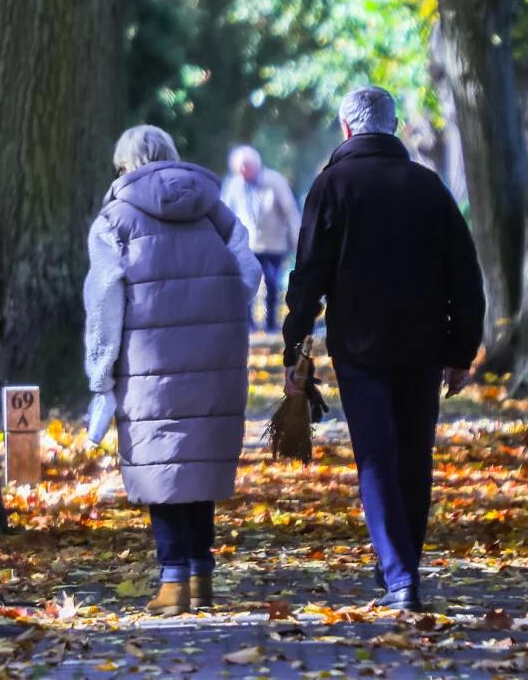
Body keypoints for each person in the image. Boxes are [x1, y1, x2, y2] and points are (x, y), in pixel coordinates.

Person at [281, 86, 485, 611]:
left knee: (375, 455)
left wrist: (294, 345)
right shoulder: (428, 187)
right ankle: (402, 566)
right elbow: (465, 274)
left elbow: (308, 276)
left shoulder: (332, 186)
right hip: (423, 343)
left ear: (346, 129)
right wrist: (460, 351)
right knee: (415, 455)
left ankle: (399, 575)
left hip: (360, 345)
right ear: (393, 128)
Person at [83, 125, 261, 616]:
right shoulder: (214, 211)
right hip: (213, 357)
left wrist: (100, 372)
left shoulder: (114, 219)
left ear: (125, 165)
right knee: (199, 465)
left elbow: (104, 301)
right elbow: (248, 274)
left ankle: (172, 581)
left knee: (161, 465)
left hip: (147, 362)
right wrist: (216, 311)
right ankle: (202, 577)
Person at [220, 145, 300, 333]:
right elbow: (224, 212)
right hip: (246, 244)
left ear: (256, 165)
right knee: (246, 282)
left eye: (247, 166)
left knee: (272, 282)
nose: (243, 170)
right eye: (240, 168)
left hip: (273, 243)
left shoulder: (275, 181)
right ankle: (247, 323)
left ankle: (271, 322)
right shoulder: (233, 185)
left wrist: (297, 240)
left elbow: (290, 212)